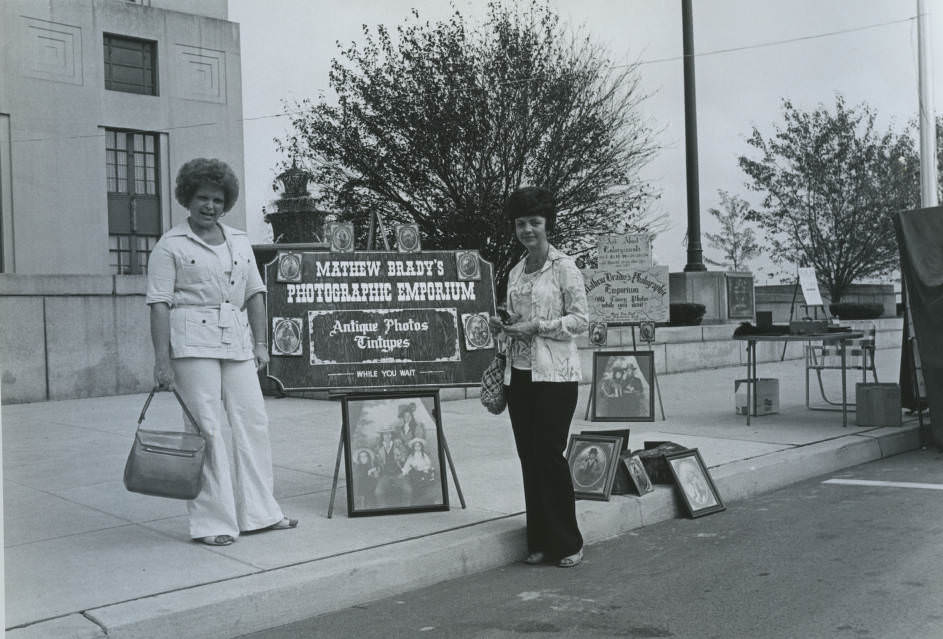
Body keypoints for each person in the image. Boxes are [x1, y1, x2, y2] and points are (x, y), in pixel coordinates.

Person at [146, 158, 297, 547]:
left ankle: (261, 512)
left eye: (216, 199)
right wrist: (162, 361)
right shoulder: (170, 246)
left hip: (236, 341)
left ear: (226, 201)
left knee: (253, 421)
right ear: (187, 198)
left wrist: (261, 344)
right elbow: (159, 304)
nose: (209, 206)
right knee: (206, 428)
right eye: (201, 198)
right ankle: (213, 522)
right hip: (191, 344)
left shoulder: (240, 240)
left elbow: (255, 294)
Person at [489, 186, 587, 568]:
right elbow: (517, 321)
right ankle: (541, 540)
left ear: (548, 223)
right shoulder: (515, 271)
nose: (527, 230)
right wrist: (506, 324)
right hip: (520, 377)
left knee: (549, 454)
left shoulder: (565, 267)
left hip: (556, 377)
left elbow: (580, 320)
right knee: (528, 456)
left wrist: (537, 326)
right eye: (520, 223)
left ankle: (568, 542)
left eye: (534, 222)